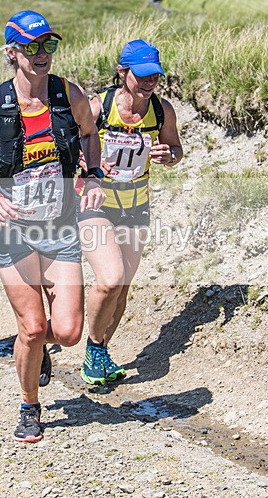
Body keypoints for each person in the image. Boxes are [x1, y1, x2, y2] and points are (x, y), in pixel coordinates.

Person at [0, 11, 105, 442]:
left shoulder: (69, 94)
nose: (41, 55)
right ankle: (29, 406)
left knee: (68, 331)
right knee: (34, 326)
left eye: (48, 46)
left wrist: (92, 174)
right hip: (12, 232)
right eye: (31, 46)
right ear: (12, 52)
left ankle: (39, 350)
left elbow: (89, 133)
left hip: (59, 227)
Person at [77, 39, 183, 386]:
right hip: (97, 205)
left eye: (155, 74)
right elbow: (69, 148)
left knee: (121, 287)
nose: (150, 81)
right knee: (109, 279)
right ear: (123, 72)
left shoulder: (162, 110)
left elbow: (177, 148)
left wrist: (170, 155)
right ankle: (92, 348)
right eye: (142, 75)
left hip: (136, 207)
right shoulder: (99, 106)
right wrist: (87, 162)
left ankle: (101, 353)